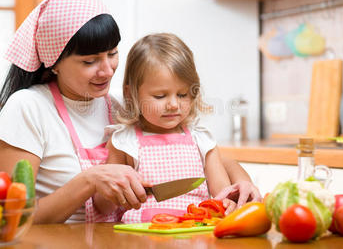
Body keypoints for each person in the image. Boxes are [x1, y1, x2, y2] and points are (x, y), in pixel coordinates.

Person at [0, 0, 259, 225]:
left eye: (112, 54)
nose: (107, 70)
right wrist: (89, 181)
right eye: (89, 61)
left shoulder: (122, 104)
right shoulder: (28, 108)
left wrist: (240, 183)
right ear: (54, 62)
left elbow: (200, 155)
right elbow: (11, 216)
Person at [93, 33, 261, 223]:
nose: (173, 104)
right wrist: (115, 190)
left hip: (196, 232)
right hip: (141, 236)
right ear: (130, 94)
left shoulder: (202, 140)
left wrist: (229, 204)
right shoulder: (124, 142)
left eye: (182, 94)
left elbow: (222, 195)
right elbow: (103, 206)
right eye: (160, 96)